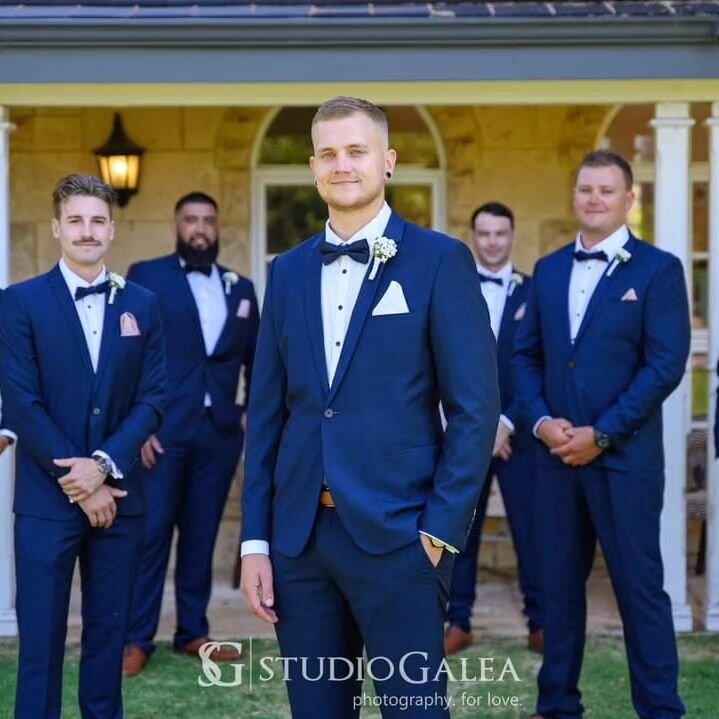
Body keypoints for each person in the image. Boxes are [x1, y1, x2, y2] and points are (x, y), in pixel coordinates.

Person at [240, 96, 499, 718]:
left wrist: (439, 531)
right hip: (300, 543)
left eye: (356, 151)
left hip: (401, 537)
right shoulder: (289, 271)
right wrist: (256, 541)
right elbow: (269, 414)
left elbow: (475, 409)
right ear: (312, 167)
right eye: (328, 153)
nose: (342, 164)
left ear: (387, 161)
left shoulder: (440, 261)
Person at [513, 150, 688, 719]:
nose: (594, 198)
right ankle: (557, 705)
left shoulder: (658, 270)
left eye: (606, 190)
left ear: (630, 199)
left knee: (640, 590)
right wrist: (541, 422)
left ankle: (660, 709)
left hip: (624, 460)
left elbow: (664, 364)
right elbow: (525, 357)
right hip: (554, 458)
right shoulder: (549, 270)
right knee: (557, 592)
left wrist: (603, 433)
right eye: (585, 188)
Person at [0, 173, 165, 719]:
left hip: (120, 500)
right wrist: (78, 481)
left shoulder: (142, 304)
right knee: (41, 644)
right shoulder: (19, 303)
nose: (87, 231)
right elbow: (22, 402)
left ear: (112, 229)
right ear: (56, 228)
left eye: (97, 220)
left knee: (107, 637)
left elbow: (155, 397)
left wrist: (102, 466)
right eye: (76, 220)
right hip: (47, 505)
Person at [122, 192, 259, 675]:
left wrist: (247, 412)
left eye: (207, 221)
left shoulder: (241, 288)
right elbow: (129, 358)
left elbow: (258, 362)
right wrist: (137, 426)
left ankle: (193, 632)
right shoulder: (146, 276)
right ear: (177, 226)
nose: (200, 228)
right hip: (161, 435)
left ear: (218, 228)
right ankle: (136, 639)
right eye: (190, 220)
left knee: (200, 537)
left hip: (218, 436)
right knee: (152, 534)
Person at [444, 202, 542, 656]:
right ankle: (458, 619)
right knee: (460, 530)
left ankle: (539, 621)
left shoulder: (534, 291)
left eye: (501, 233)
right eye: (484, 234)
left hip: (519, 434)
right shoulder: (454, 289)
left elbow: (537, 365)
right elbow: (442, 362)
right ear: (473, 236)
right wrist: (479, 426)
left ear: (513, 235)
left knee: (531, 527)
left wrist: (505, 423)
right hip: (466, 432)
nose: (492, 242)